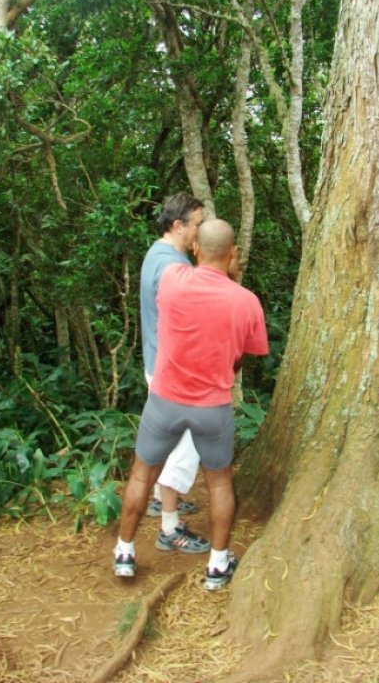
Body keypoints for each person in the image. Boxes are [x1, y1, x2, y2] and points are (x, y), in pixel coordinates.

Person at [114, 219, 269, 590]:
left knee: (142, 475)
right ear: (233, 253)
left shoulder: (172, 280)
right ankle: (217, 565)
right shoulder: (246, 301)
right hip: (212, 407)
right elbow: (247, 354)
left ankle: (125, 552)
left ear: (196, 249)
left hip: (165, 401)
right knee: (219, 483)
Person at [139, 192, 209, 554]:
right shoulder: (172, 268)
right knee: (189, 443)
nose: (201, 231)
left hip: (158, 364)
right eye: (198, 224)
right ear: (178, 225)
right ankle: (170, 528)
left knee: (168, 438)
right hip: (174, 372)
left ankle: (157, 498)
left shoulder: (158, 254)